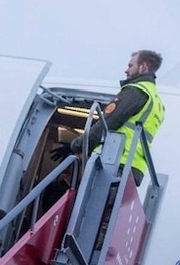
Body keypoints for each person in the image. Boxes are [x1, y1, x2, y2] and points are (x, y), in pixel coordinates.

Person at [52, 49, 164, 185]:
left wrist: (75, 146)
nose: (126, 70)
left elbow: (107, 124)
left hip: (116, 163)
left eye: (130, 66)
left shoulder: (136, 91)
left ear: (143, 67)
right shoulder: (157, 102)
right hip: (134, 168)